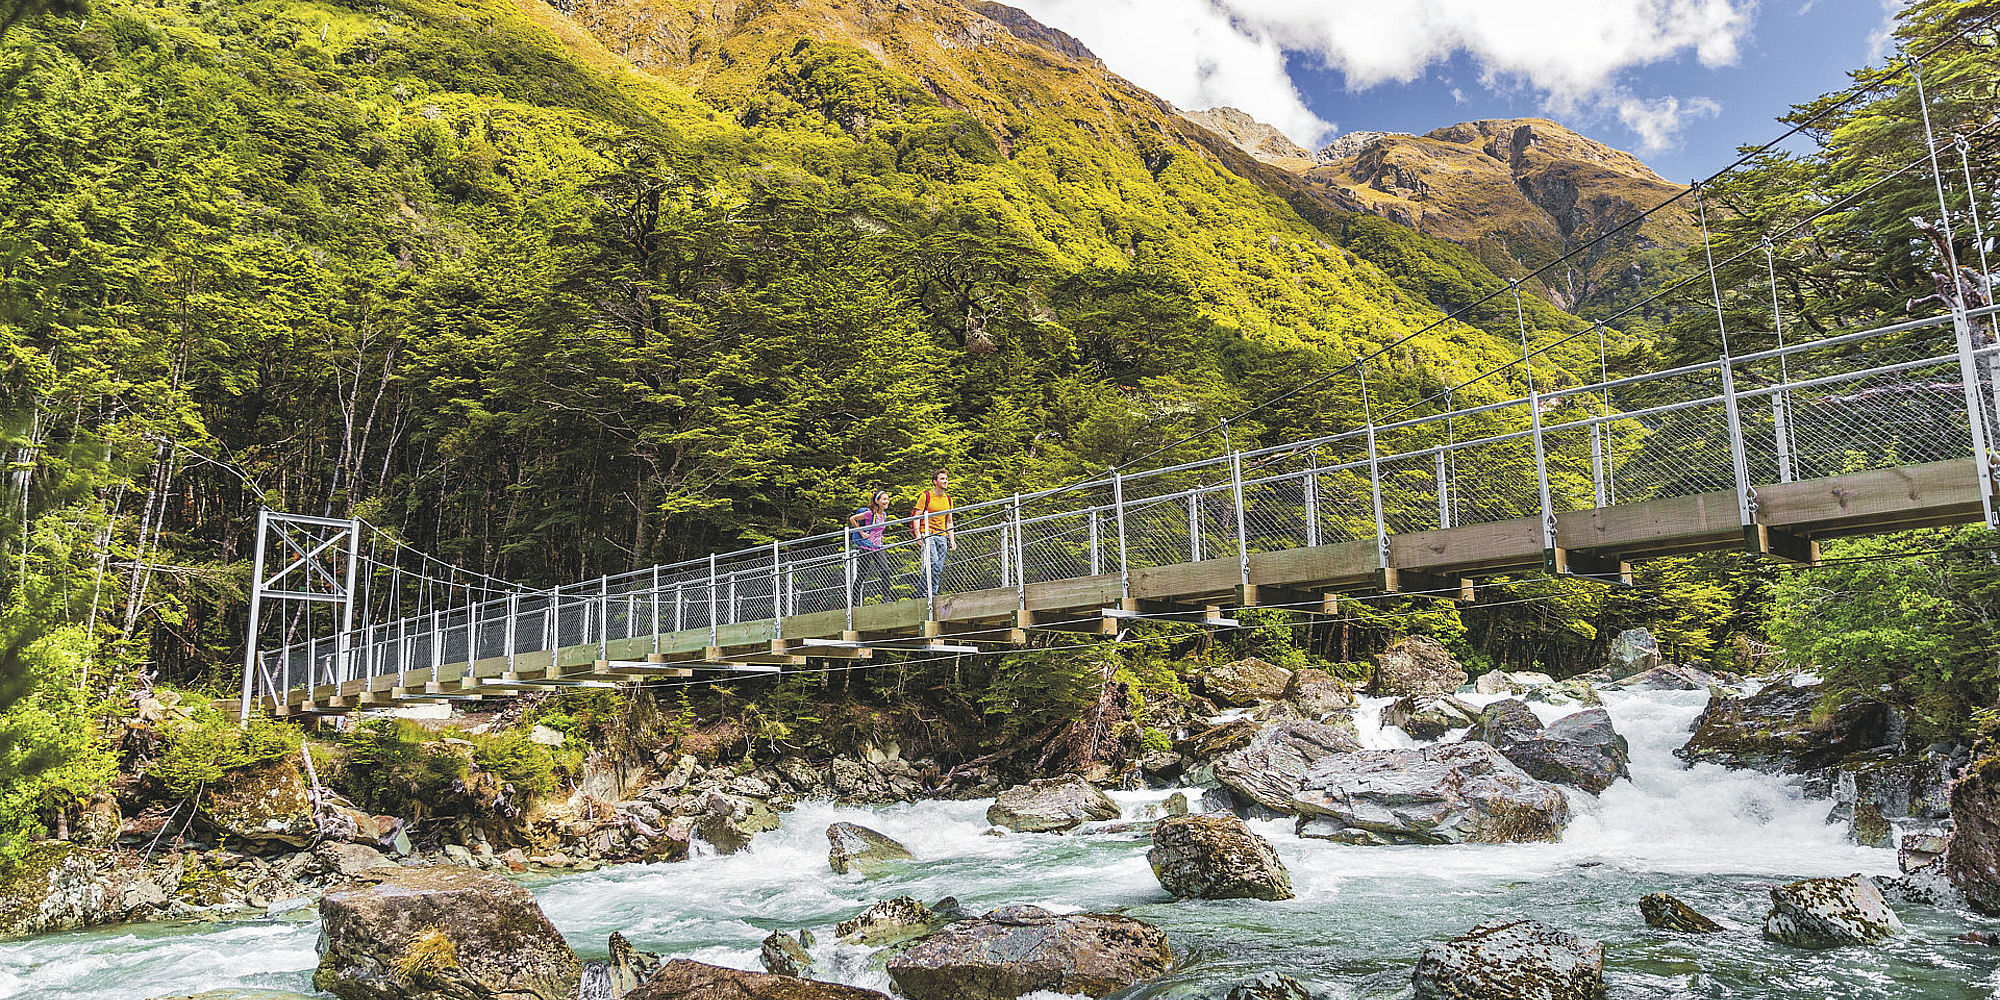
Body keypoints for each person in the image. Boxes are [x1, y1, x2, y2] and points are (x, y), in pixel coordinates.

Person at [912, 469, 956, 597]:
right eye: (942, 479)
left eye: (946, 479)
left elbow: (949, 521)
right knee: (933, 563)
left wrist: (952, 539)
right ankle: (932, 595)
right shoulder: (926, 496)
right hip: (928, 534)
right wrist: (918, 534)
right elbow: (916, 516)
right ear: (935, 482)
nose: (945, 481)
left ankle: (921, 593)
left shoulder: (948, 499)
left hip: (942, 536)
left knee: (938, 568)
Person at [847, 490, 894, 605]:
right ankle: (853, 602)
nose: (886, 501)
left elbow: (878, 529)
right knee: (862, 575)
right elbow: (852, 519)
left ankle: (886, 597)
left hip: (878, 547)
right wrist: (862, 533)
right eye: (884, 499)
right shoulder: (869, 514)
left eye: (887, 499)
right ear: (877, 501)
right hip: (866, 546)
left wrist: (880, 537)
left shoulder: (884, 515)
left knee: (885, 570)